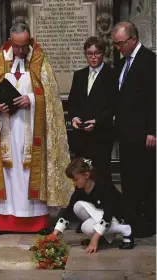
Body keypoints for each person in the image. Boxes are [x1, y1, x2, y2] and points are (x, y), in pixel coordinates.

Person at [0, 18, 73, 235]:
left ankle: (36, 222)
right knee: (8, 175)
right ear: (10, 41)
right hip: (6, 130)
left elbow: (52, 97)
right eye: (16, 45)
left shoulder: (40, 59)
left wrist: (31, 99)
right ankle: (3, 222)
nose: (20, 50)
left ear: (30, 41)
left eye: (24, 45)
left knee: (29, 173)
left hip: (31, 129)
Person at [111, 21, 156, 238]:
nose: (118, 48)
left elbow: (154, 99)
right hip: (125, 134)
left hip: (143, 134)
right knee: (128, 179)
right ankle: (131, 221)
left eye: (120, 43)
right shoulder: (122, 64)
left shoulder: (149, 61)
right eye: (116, 44)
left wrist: (153, 130)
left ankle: (146, 224)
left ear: (133, 40)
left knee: (145, 179)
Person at [52, 158, 134, 253]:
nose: (73, 183)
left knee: (86, 227)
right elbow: (68, 211)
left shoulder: (103, 186)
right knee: (77, 206)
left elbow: (108, 214)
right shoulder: (80, 189)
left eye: (76, 179)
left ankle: (125, 229)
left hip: (116, 217)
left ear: (87, 175)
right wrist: (55, 233)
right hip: (101, 215)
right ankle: (102, 236)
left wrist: (94, 239)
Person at [68, 36, 117, 184]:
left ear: (103, 54)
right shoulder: (79, 75)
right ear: (85, 54)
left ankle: (104, 205)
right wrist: (74, 118)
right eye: (90, 53)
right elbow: (72, 102)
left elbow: (114, 105)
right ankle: (83, 205)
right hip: (81, 136)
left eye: (97, 53)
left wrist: (97, 121)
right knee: (82, 176)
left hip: (101, 134)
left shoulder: (112, 75)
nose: (93, 57)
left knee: (101, 175)